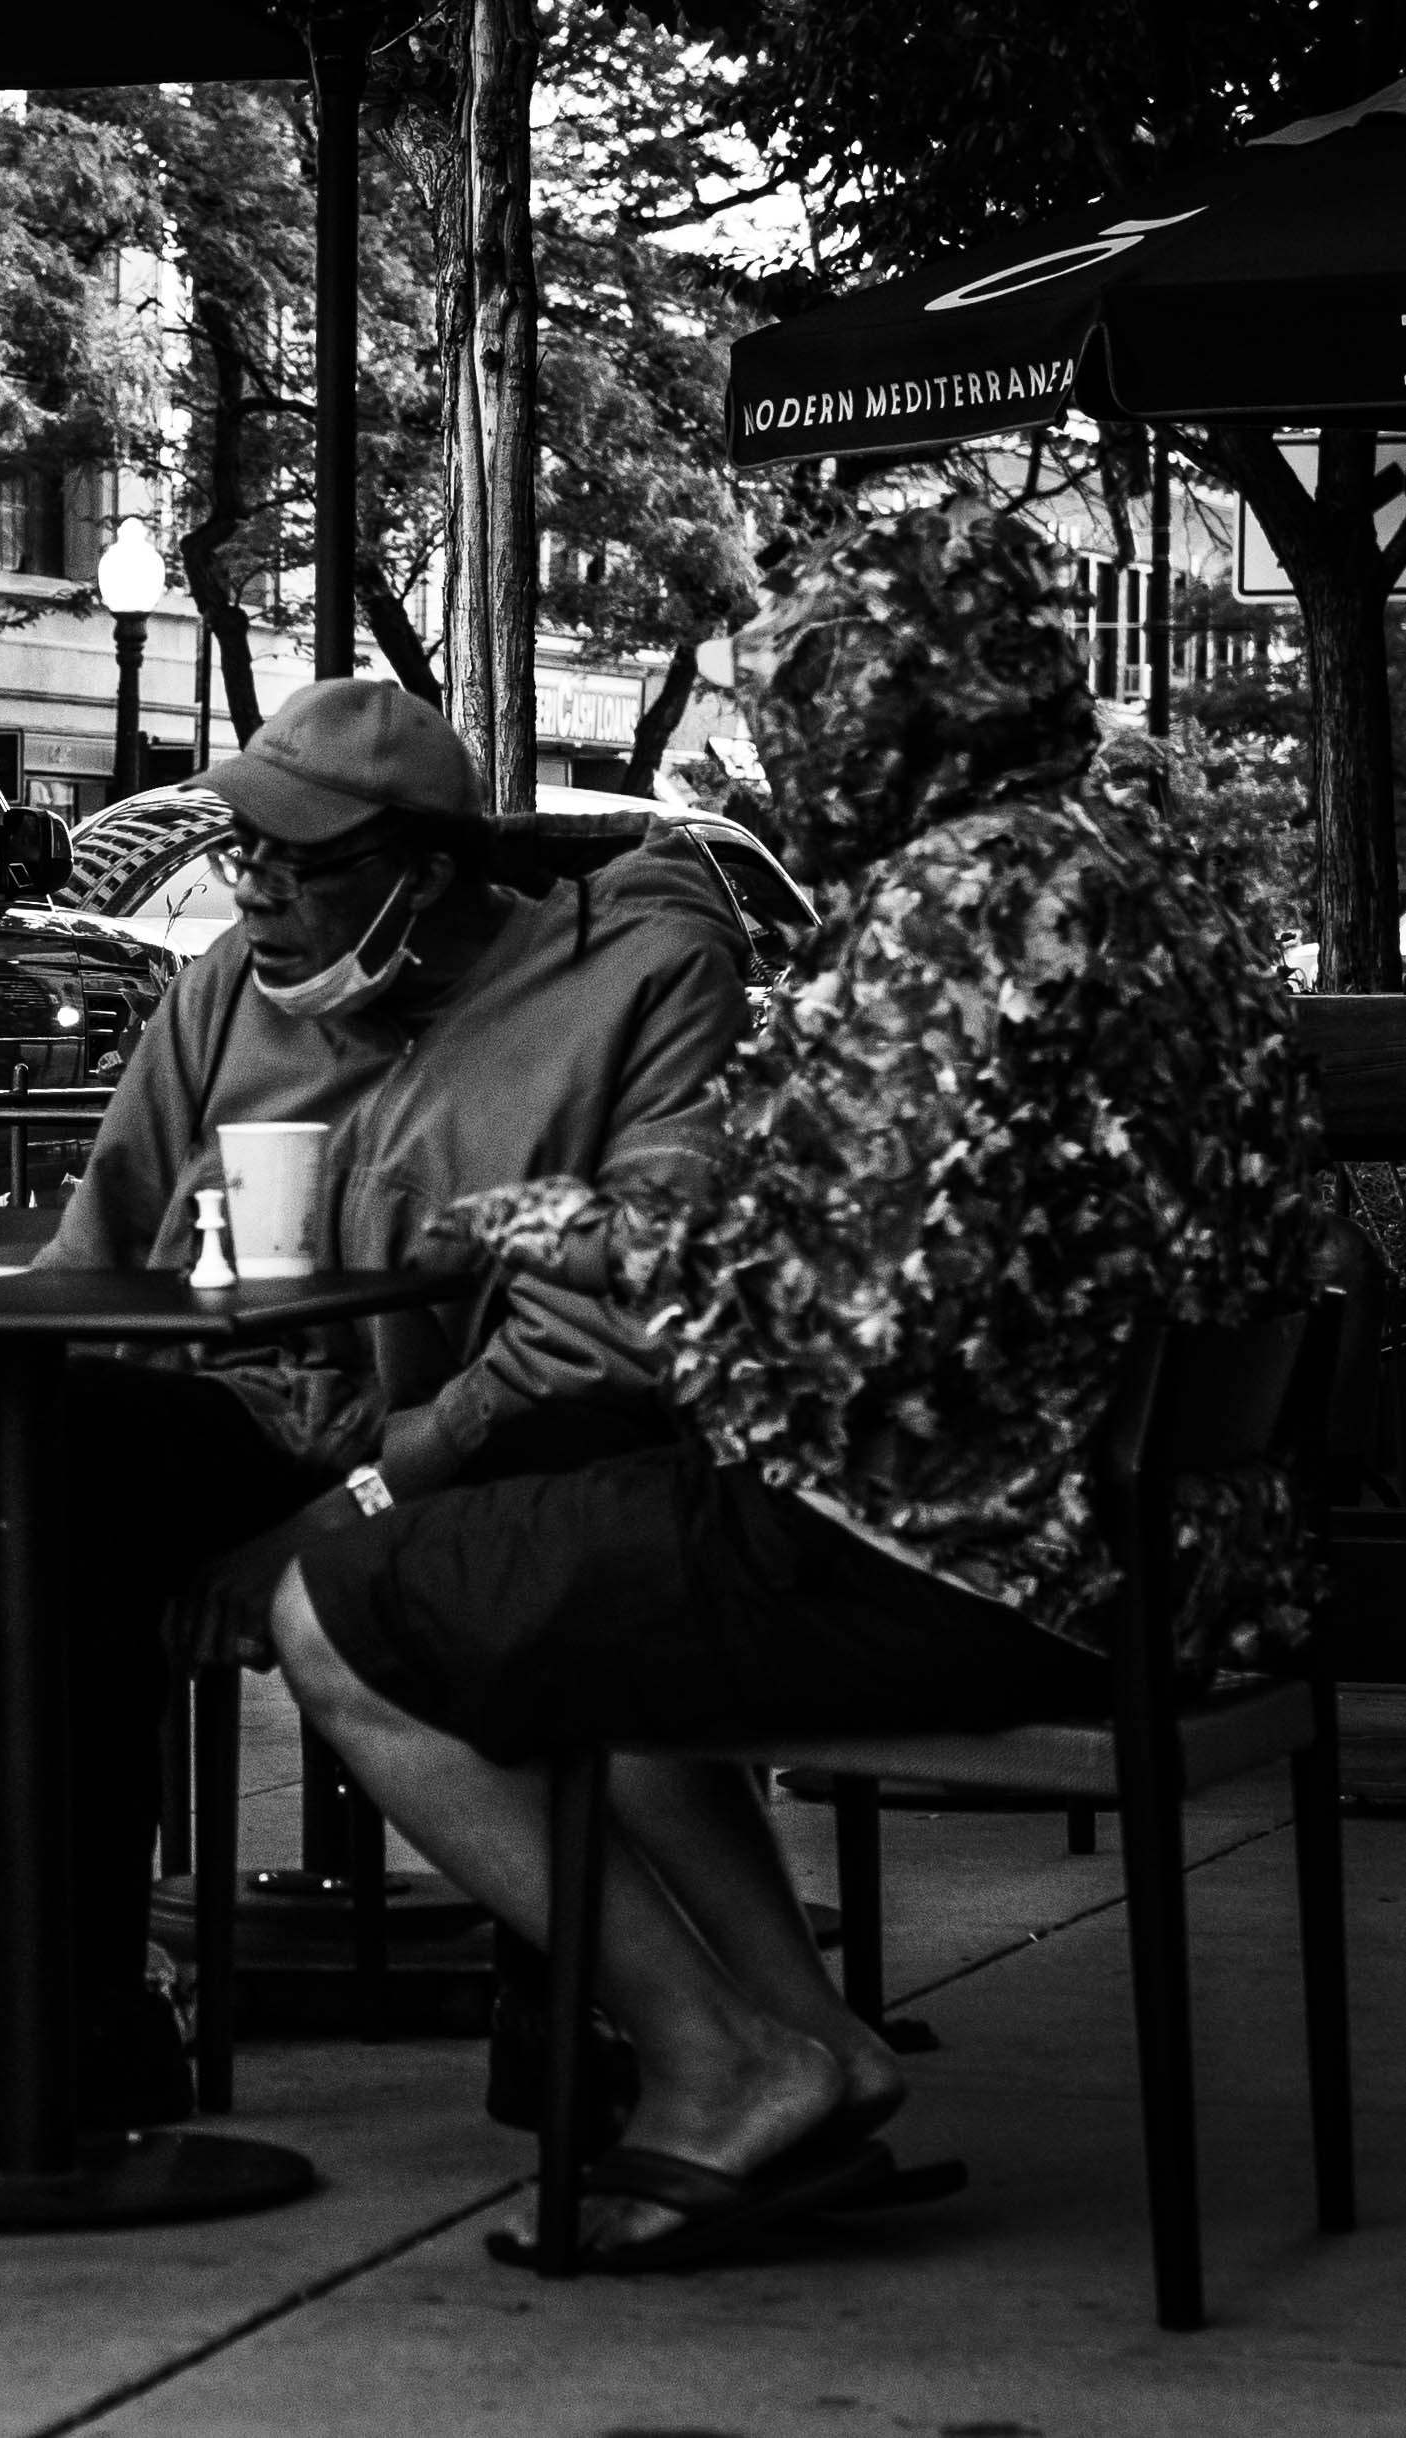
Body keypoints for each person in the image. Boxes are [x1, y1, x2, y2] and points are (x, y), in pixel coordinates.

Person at [268, 498, 1318, 2272]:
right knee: (570, 1539)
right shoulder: (1144, 859)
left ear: (885, 707)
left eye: (807, 704)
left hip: (981, 1546)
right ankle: (807, 2046)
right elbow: (926, 1203)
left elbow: (860, 1306)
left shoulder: (965, 897)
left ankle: (712, 2060)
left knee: (337, 1606)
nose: (789, 749)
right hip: (1173, 1534)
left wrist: (581, 1243)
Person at [0, 677, 753, 2134]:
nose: (250, 889)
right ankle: (65, 2014)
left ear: (428, 871)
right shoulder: (222, 986)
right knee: (71, 1471)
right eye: (238, 853)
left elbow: (621, 1329)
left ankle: (571, 1985)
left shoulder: (631, 983)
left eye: (294, 861)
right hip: (261, 1422)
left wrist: (351, 1510)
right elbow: (100, 1261)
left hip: (490, 1442)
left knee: (583, 1492)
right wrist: (14, 1515)